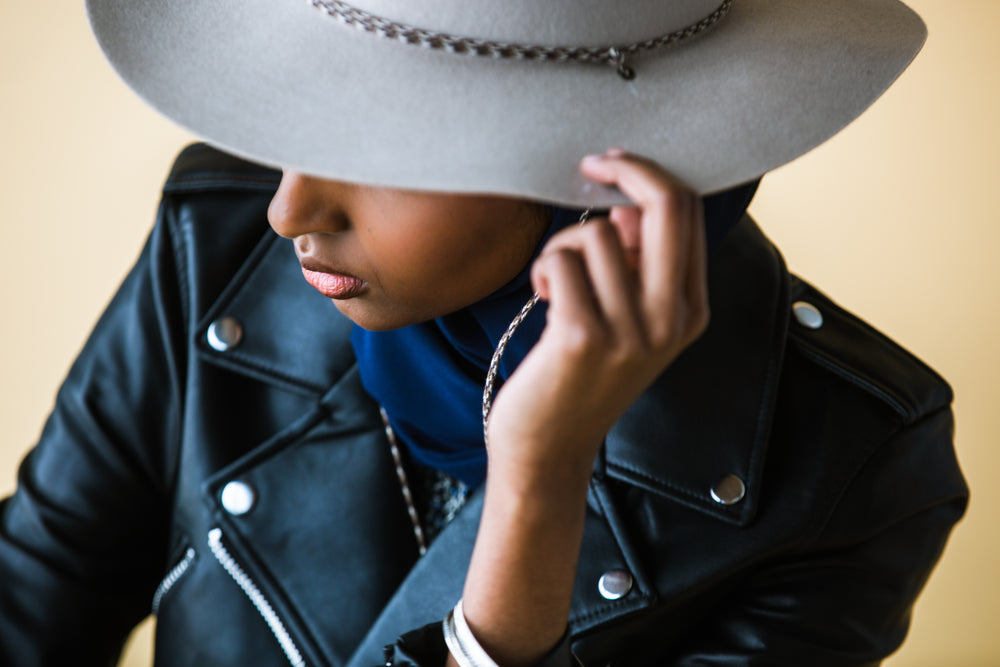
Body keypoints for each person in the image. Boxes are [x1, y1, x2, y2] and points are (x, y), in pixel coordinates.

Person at [0, 1, 968, 666]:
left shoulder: (852, 463)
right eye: (300, 119)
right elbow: (30, 600)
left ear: (597, 182)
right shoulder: (215, 249)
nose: (290, 208)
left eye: (380, 147)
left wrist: (537, 480)